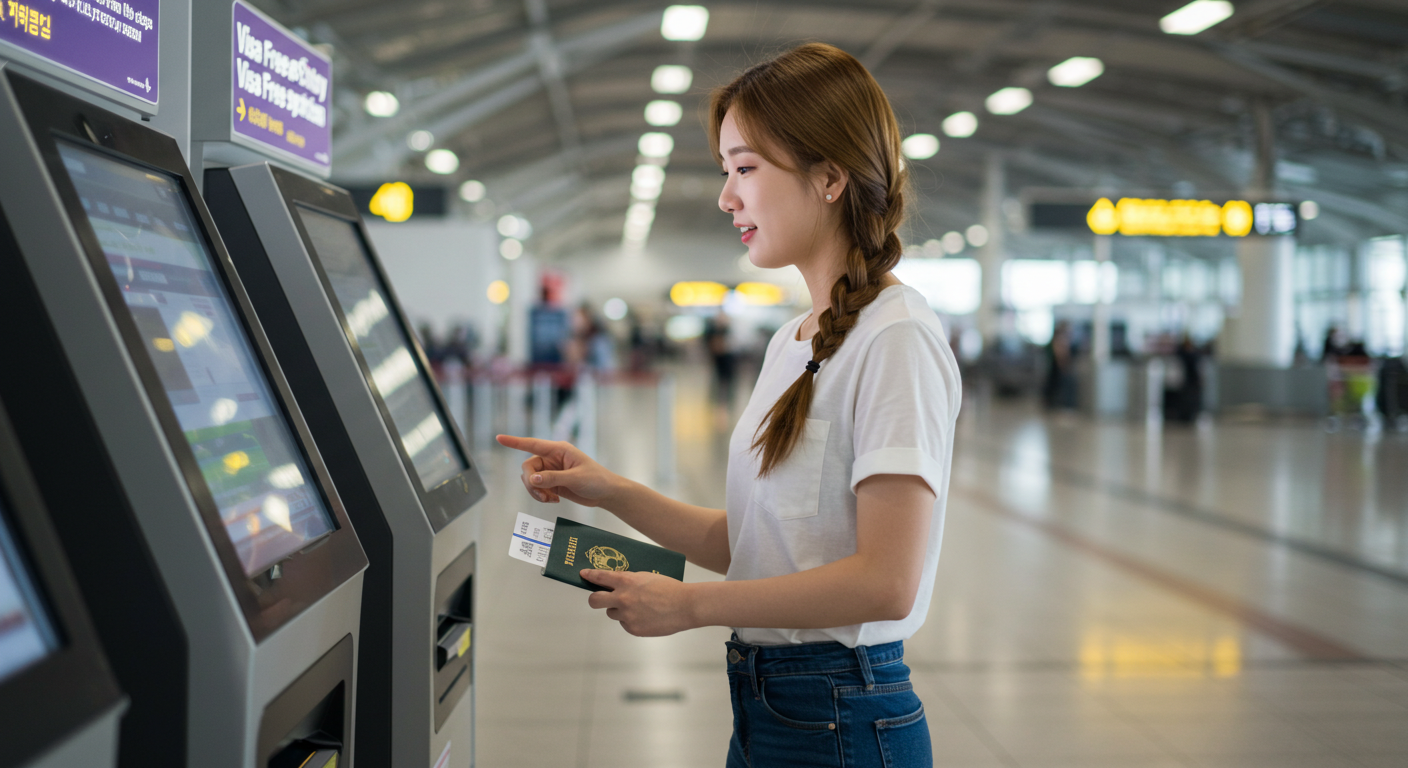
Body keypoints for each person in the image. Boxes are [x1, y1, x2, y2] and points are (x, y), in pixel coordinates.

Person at [497, 43, 959, 768]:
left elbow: (886, 582)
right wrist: (611, 491)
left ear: (831, 176)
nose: (726, 197)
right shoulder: (793, 340)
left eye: (746, 168)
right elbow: (752, 545)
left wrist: (692, 607)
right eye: (725, 171)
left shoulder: (896, 339)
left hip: (842, 715)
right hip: (770, 706)